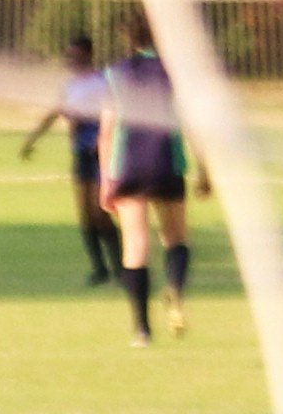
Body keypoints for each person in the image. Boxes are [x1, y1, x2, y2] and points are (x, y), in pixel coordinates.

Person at [104, 26, 196, 341]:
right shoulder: (176, 72)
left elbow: (107, 129)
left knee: (135, 246)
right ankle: (174, 288)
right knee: (176, 237)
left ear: (130, 39)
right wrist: (205, 171)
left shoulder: (116, 74)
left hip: (128, 165)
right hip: (167, 161)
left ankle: (142, 329)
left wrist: (106, 180)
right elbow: (191, 121)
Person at [18, 32, 118, 286]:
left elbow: (112, 114)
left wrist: (99, 136)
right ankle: (99, 268)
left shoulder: (100, 81)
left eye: (75, 54)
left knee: (100, 212)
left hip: (99, 152)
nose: (70, 59)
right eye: (68, 55)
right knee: (85, 214)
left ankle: (120, 267)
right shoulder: (70, 86)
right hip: (80, 153)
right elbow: (55, 113)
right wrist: (32, 140)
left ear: (88, 54)